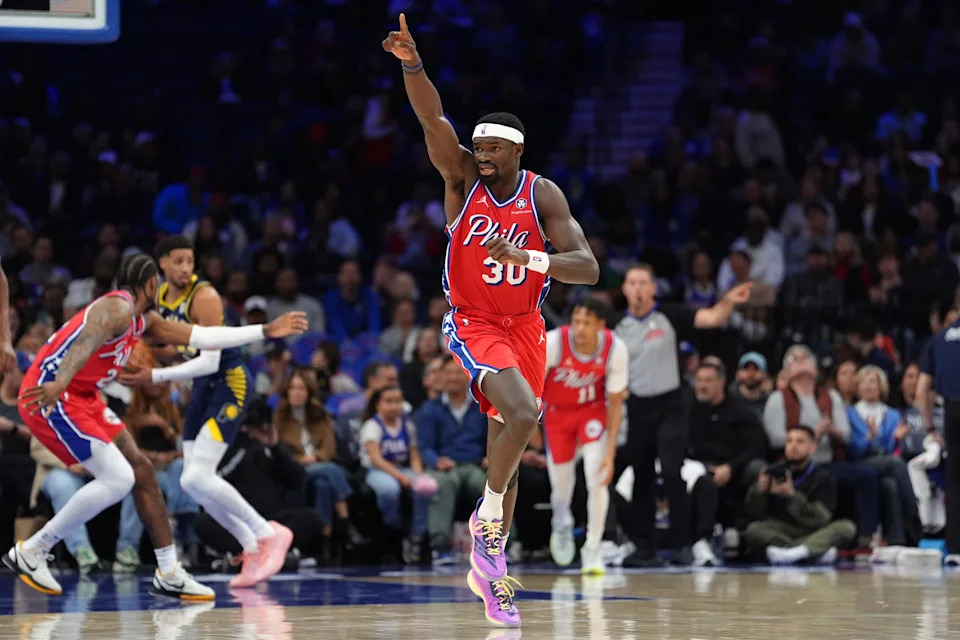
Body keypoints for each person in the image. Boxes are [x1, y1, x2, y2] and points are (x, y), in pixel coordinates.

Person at [384, 13, 600, 627]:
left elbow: (587, 269)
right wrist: (412, 64)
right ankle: (488, 523)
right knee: (527, 413)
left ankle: (489, 565)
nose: (480, 154)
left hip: (526, 326)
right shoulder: (459, 180)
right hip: (474, 321)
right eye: (476, 146)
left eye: (491, 147)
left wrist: (528, 255)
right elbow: (432, 119)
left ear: (516, 151)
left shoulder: (543, 195)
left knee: (507, 437)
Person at [4, 253, 306, 599]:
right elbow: (87, 339)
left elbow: (202, 336)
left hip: (81, 395)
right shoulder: (116, 307)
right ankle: (33, 551)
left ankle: (169, 571)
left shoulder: (143, 320)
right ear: (152, 283)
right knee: (118, 479)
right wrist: (60, 381)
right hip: (51, 393)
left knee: (142, 472)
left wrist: (264, 331)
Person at [117, 236, 299, 589]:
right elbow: (175, 346)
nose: (186, 268)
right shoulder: (158, 297)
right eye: (179, 261)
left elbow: (210, 359)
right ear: (162, 264)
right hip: (201, 389)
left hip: (228, 382)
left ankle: (266, 533)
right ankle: (251, 546)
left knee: (198, 476)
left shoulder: (205, 296)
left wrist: (154, 375)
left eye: (191, 261)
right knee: (190, 480)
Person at [615, 263, 751, 567]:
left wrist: (728, 301)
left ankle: (682, 544)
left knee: (673, 470)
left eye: (642, 283)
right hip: (636, 407)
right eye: (631, 282)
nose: (637, 288)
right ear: (624, 289)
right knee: (641, 476)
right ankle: (644, 546)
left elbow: (713, 318)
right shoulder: (617, 325)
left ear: (653, 288)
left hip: (670, 407)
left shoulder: (670, 315)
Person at [542, 299, 627, 574]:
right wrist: (531, 428)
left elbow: (615, 404)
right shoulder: (554, 342)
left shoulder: (616, 348)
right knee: (562, 487)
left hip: (592, 414)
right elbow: (532, 387)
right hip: (556, 414)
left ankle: (593, 547)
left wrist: (610, 454)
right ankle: (562, 523)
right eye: (576, 321)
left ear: (600, 326)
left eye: (586, 322)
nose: (579, 328)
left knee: (597, 477)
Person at [114, 366, 200, 573]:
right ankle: (127, 550)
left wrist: (164, 428)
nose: (155, 385)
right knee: (138, 484)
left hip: (171, 471)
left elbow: (187, 448)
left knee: (181, 469)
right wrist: (155, 457)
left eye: (159, 380)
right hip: (146, 469)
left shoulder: (176, 412)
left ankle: (174, 525)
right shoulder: (130, 414)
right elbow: (128, 451)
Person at [686, 358, 767, 566]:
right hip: (697, 467)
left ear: (721, 383)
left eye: (708, 380)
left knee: (758, 470)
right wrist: (703, 466)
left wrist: (731, 467)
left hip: (733, 467)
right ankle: (698, 540)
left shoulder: (739, 410)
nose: (702, 385)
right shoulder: (689, 409)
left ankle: (750, 534)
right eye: (699, 380)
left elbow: (756, 446)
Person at [743, 425, 857, 564]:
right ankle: (811, 551)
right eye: (789, 441)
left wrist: (792, 496)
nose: (793, 446)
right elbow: (755, 513)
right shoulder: (774, 472)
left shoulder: (823, 478)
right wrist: (760, 491)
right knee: (754, 530)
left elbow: (820, 519)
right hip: (783, 530)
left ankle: (793, 553)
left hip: (813, 530)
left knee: (846, 527)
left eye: (800, 441)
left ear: (812, 447)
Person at [275, 369, 359, 553]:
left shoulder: (321, 416)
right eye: (293, 388)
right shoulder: (279, 420)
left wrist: (316, 458)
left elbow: (329, 448)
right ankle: (345, 518)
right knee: (331, 470)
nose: (297, 392)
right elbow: (280, 452)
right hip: (295, 469)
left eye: (302, 388)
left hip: (319, 466)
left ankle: (324, 536)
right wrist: (301, 459)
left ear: (309, 392)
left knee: (323, 485)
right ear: (287, 392)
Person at [415, 356, 488, 565]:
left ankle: (501, 544)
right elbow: (425, 445)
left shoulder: (481, 404)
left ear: (467, 375)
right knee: (445, 483)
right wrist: (436, 461)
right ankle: (440, 547)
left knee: (488, 485)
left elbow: (491, 437)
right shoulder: (430, 408)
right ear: (441, 377)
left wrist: (490, 456)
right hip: (445, 466)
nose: (454, 378)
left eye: (458, 372)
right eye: (449, 373)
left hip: (474, 464)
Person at [359, 385, 434, 561]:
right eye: (389, 401)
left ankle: (416, 536)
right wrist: (399, 477)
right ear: (378, 404)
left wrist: (418, 475)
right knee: (389, 490)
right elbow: (376, 459)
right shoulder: (372, 426)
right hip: (377, 469)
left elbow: (414, 455)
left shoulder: (407, 425)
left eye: (398, 401)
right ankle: (394, 527)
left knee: (426, 488)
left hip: (402, 467)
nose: (394, 406)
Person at [916, 302, 960, 566]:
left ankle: (956, 549)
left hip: (953, 412)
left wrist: (930, 426)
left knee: (955, 481)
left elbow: (922, 390)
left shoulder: (939, 338)